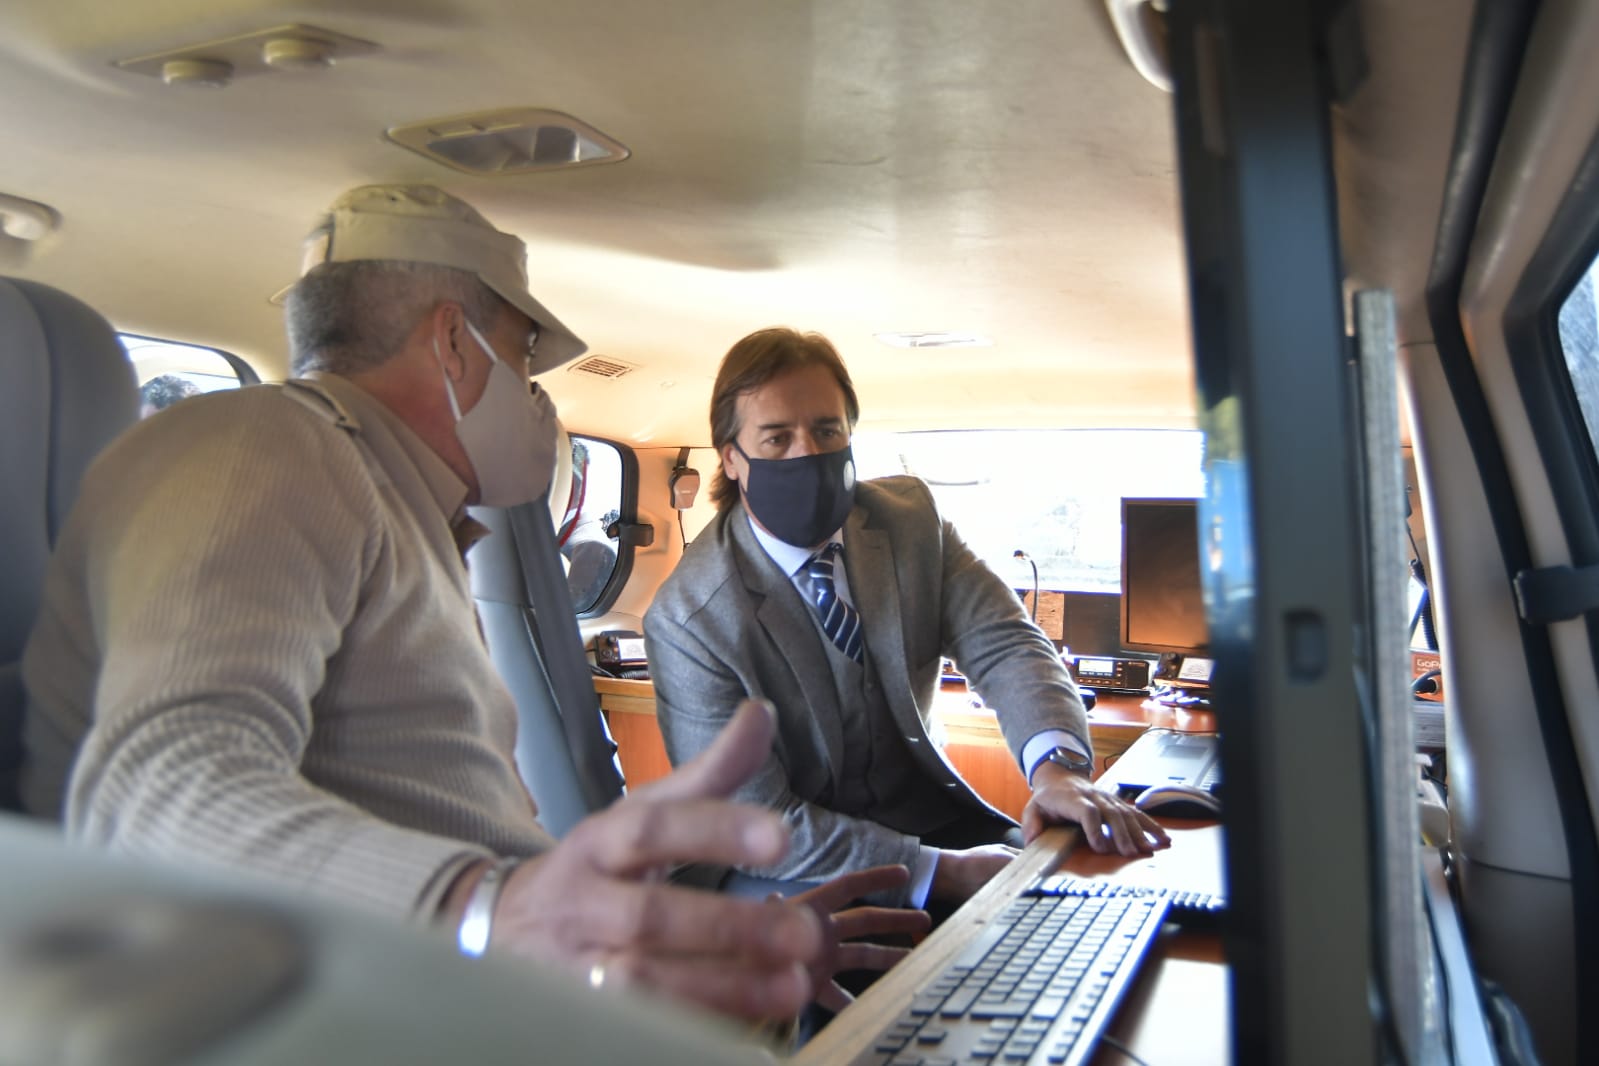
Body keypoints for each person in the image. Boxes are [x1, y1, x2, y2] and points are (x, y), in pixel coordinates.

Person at [20, 186, 926, 1024]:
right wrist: (490, 911)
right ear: (453, 343)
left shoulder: (393, 505)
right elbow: (158, 789)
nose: (536, 399)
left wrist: (666, 946)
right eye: (524, 358)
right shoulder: (264, 446)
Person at [644, 327, 1171, 914]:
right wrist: (942, 874)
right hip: (786, 867)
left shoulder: (910, 522)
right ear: (731, 458)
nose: (807, 454)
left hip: (935, 823)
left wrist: (1058, 772)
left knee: (1079, 894)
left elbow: (1006, 643)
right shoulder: (689, 620)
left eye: (827, 431)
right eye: (777, 438)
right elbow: (754, 822)